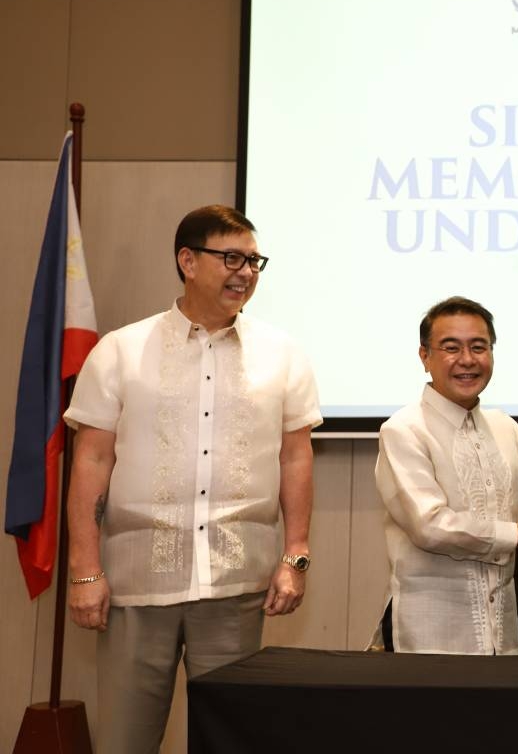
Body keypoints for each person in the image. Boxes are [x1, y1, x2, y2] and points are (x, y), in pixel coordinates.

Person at [64, 205, 321, 753]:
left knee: (231, 739)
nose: (246, 272)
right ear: (187, 260)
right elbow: (90, 462)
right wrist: (85, 569)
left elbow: (295, 459)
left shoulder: (283, 354)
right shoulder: (120, 350)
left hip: (237, 585)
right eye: (231, 258)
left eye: (255, 261)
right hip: (136, 584)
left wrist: (294, 557)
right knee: (123, 743)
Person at [372, 296, 518, 654]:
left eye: (479, 347)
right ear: (424, 356)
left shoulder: (503, 427)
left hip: (502, 630)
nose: (467, 360)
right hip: (431, 633)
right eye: (451, 348)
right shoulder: (403, 430)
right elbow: (430, 525)